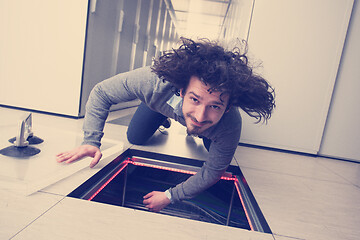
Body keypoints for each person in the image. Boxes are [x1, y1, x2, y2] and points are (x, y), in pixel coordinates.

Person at [56, 37, 275, 212]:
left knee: (211, 150)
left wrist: (170, 196)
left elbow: (212, 173)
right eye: (195, 99)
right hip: (159, 107)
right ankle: (163, 118)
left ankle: (198, 130)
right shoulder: (152, 83)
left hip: (213, 132)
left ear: (227, 108)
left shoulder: (229, 125)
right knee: (135, 137)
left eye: (215, 106)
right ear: (181, 91)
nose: (200, 115)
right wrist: (91, 140)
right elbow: (101, 93)